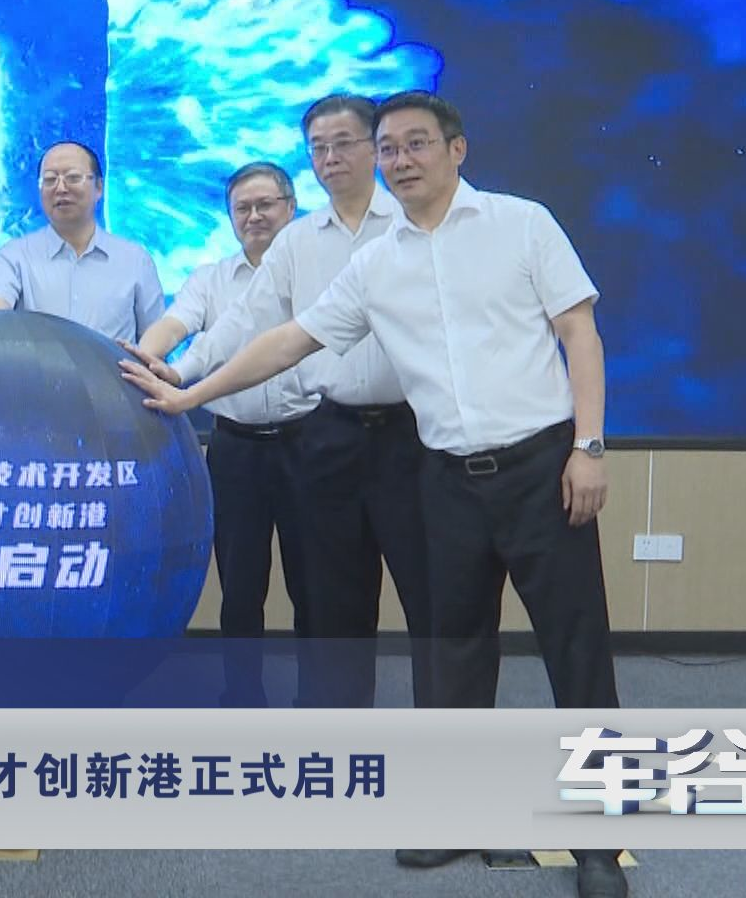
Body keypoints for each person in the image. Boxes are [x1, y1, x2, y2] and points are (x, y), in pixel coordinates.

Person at [120, 90, 625, 898]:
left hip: (542, 466)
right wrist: (191, 394)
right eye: (390, 148)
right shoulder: (377, 263)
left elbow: (580, 333)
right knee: (452, 654)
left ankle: (600, 838)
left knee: (576, 648)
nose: (400, 160)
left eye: (415, 144)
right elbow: (288, 339)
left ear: (457, 149)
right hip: (445, 475)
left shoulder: (522, 224)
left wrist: (588, 448)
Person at [123, 94, 429, 708]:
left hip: (409, 435)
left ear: (375, 148)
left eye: (344, 143)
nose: (331, 157)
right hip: (324, 437)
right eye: (318, 146)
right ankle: (322, 727)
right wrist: (175, 374)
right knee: (333, 599)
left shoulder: (415, 224)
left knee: (428, 596)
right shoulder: (296, 248)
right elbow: (237, 327)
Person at [134, 162, 312, 638]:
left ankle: (320, 686)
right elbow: (177, 324)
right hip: (235, 450)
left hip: (310, 443)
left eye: (265, 205)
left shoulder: (317, 272)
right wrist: (147, 356)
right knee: (239, 586)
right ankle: (241, 684)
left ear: (291, 208)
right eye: (242, 208)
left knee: (316, 584)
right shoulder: (210, 278)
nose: (254, 216)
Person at [0, 140, 165, 344]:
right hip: (36, 366)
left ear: (99, 187)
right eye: (50, 180)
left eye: (73, 178)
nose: (60, 188)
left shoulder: (135, 260)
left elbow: (156, 341)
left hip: (111, 367)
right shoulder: (13, 256)